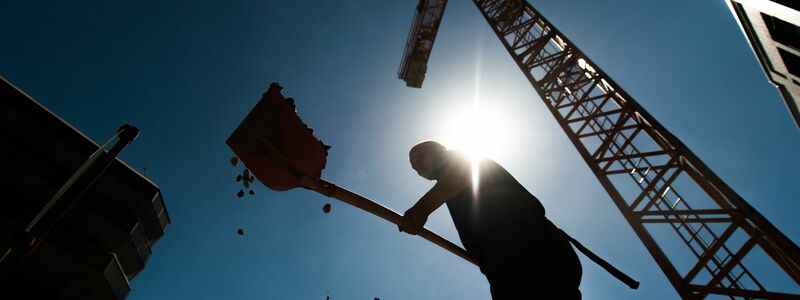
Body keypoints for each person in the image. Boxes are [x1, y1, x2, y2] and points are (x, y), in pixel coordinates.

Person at [399, 141, 582, 299]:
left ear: (439, 149)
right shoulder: (454, 175)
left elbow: (460, 175)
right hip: (536, 251)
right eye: (415, 167)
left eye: (421, 156)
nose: (419, 166)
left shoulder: (448, 160)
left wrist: (420, 210)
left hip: (522, 253)